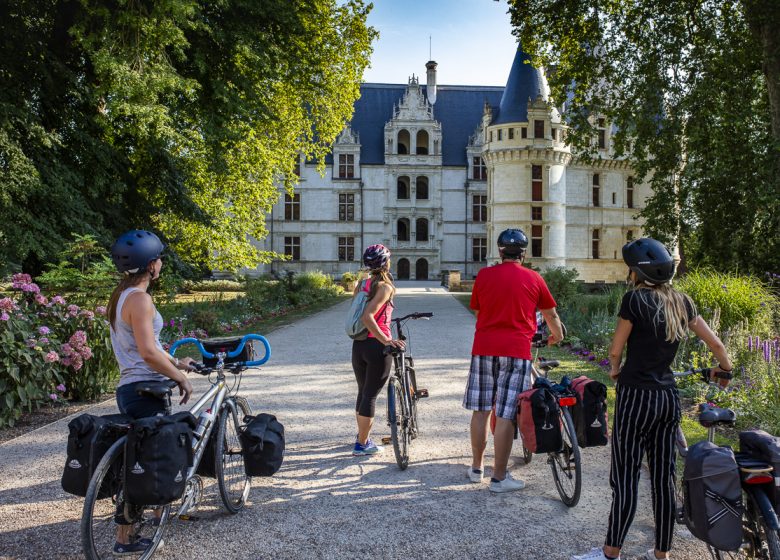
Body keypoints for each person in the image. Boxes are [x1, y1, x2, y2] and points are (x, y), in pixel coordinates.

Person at [571, 238, 733, 560]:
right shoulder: (681, 302)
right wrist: (726, 370)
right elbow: (715, 344)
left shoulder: (634, 300)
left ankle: (611, 552)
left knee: (626, 475)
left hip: (635, 398)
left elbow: (616, 350)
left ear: (637, 272)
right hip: (667, 399)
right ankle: (662, 553)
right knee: (663, 478)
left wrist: (615, 369)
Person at [107, 230, 196, 555]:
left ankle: (138, 528)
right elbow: (146, 352)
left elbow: (149, 346)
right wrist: (180, 378)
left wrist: (176, 362)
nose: (161, 263)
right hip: (146, 391)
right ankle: (128, 538)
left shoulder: (121, 296)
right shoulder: (141, 299)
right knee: (151, 463)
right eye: (159, 258)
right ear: (151, 265)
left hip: (129, 389)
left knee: (138, 460)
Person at [464, 228, 564, 492]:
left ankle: (476, 468)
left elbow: (477, 309)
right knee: (506, 413)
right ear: (524, 252)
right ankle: (499, 477)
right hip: (517, 350)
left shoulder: (484, 276)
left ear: (499, 251)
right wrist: (557, 335)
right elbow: (551, 316)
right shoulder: (533, 278)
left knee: (481, 409)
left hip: (484, 347)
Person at [350, 244, 405, 456]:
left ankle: (362, 436)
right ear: (386, 263)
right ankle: (362, 444)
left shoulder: (362, 284)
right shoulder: (385, 287)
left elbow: (359, 312)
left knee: (363, 392)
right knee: (370, 395)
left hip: (359, 344)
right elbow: (367, 316)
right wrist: (386, 341)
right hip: (376, 346)